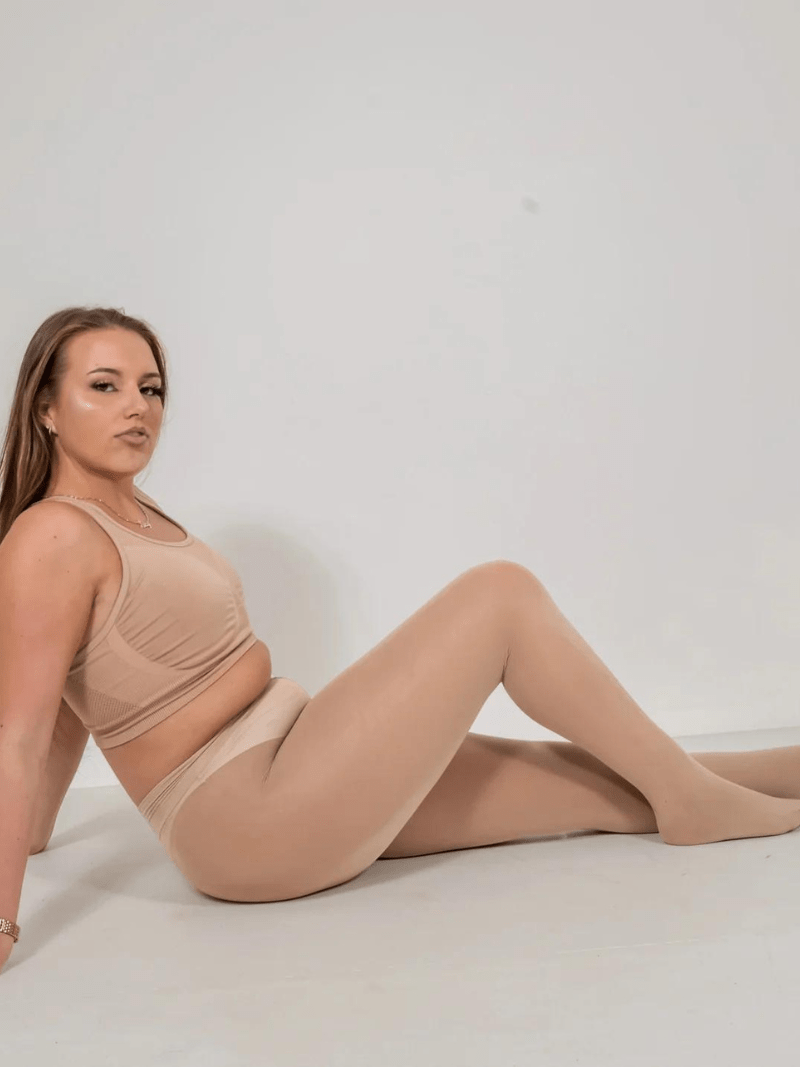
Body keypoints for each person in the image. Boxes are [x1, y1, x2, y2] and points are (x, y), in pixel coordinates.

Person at [2, 305, 800, 974]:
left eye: (150, 388)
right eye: (104, 386)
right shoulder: (51, 536)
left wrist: (38, 832)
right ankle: (696, 803)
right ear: (46, 407)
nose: (137, 407)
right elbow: (22, 732)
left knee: (599, 783)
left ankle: (745, 779)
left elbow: (72, 700)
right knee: (499, 595)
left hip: (298, 759)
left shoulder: (130, 512)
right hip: (249, 815)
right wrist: (3, 920)